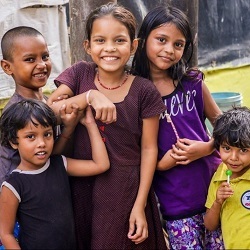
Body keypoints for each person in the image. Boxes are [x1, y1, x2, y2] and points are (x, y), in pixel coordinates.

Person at [47, 3, 167, 249]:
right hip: (81, 187)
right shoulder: (80, 75)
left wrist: (140, 204)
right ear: (88, 46)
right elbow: (49, 111)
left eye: (119, 40)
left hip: (124, 191)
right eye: (100, 40)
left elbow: (148, 150)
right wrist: (89, 97)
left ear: (133, 46)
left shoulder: (144, 91)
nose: (109, 48)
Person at [132, 5, 224, 249]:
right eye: (161, 40)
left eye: (178, 44)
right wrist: (163, 163)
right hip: (176, 203)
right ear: (142, 41)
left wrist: (206, 148)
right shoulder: (134, 92)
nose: (169, 50)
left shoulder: (192, 82)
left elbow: (224, 125)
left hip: (214, 192)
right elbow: (134, 150)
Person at [0, 99, 110, 249]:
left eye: (47, 134)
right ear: (14, 141)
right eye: (31, 136)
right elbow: (6, 233)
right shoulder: (13, 185)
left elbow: (101, 165)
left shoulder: (60, 164)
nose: (42, 143)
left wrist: (90, 124)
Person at [204, 106, 250, 249]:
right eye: (227, 148)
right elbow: (210, 225)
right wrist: (218, 202)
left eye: (243, 150)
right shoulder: (220, 177)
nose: (233, 158)